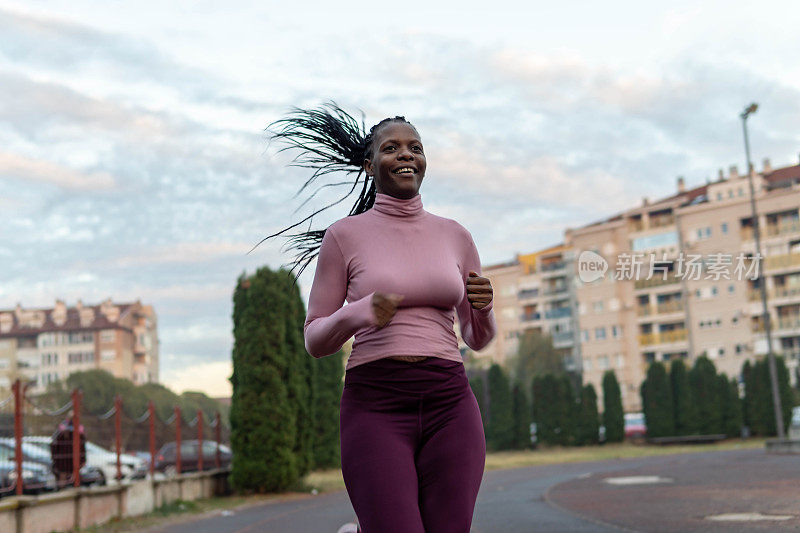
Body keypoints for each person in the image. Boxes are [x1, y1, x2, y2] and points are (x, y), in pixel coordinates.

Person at [265, 102, 496, 533]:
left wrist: (484, 308)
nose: (406, 154)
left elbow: (476, 338)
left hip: (450, 400)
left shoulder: (456, 235)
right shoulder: (344, 235)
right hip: (376, 404)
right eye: (392, 148)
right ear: (371, 165)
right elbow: (315, 339)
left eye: (415, 147)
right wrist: (360, 312)